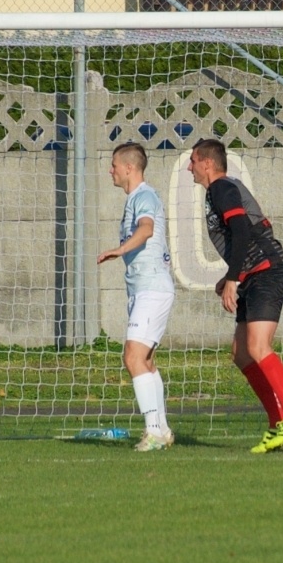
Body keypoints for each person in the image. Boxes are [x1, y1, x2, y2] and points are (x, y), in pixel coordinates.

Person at [189, 138, 283, 453]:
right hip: (255, 273)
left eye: (192, 161)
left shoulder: (221, 187)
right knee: (241, 353)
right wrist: (229, 278)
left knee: (257, 347)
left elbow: (242, 230)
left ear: (206, 163)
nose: (189, 167)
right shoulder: (217, 191)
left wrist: (233, 278)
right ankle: (278, 423)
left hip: (269, 271)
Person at [97, 143, 175, 451]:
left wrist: (121, 248)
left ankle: (154, 431)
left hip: (152, 288)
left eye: (114, 164)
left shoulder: (143, 195)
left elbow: (145, 229)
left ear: (130, 168)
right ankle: (163, 430)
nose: (110, 170)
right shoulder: (137, 197)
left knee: (132, 356)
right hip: (146, 289)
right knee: (145, 361)